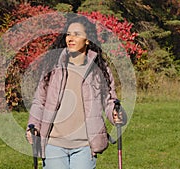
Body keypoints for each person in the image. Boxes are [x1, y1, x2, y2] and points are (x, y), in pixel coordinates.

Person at [26, 14, 126, 169]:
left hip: (85, 144)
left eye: (77, 34)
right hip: (54, 143)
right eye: (68, 34)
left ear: (88, 40)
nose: (70, 38)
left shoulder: (99, 68)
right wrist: (33, 126)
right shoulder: (52, 65)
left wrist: (114, 112)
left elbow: (109, 100)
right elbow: (40, 101)